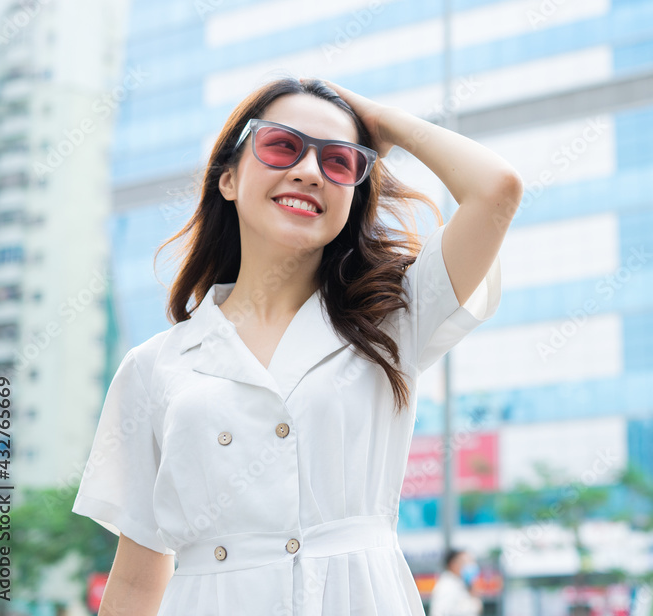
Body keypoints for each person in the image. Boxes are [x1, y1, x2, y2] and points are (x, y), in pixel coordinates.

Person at [71, 77, 523, 615]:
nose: (309, 171)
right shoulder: (154, 367)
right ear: (230, 180)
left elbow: (497, 188)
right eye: (281, 145)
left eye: (339, 162)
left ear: (354, 195)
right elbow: (138, 581)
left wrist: (380, 121)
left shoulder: (394, 317)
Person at [429, 549, 483, 616]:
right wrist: (474, 604)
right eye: (465, 562)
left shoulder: (459, 583)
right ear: (452, 564)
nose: (470, 565)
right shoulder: (447, 586)